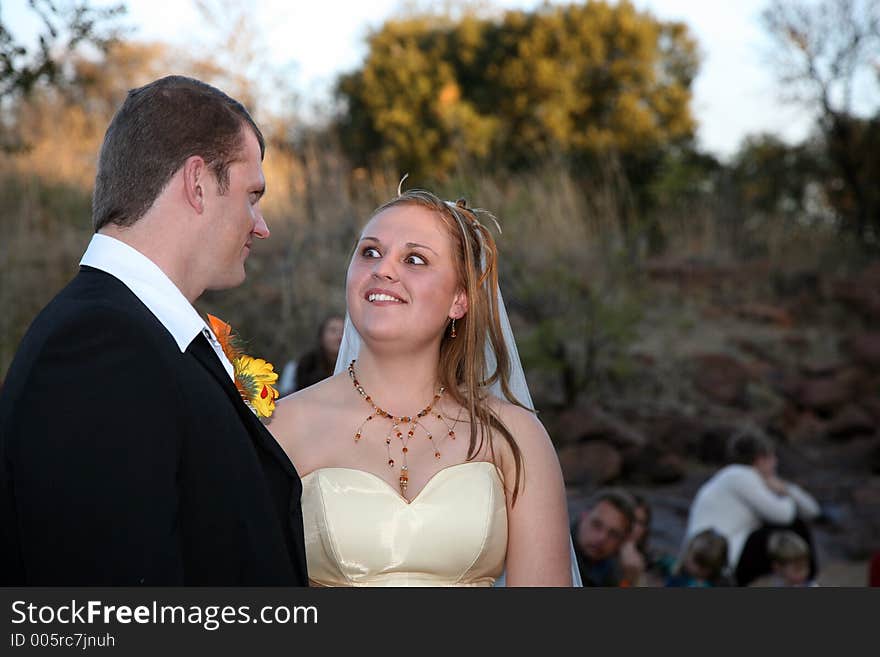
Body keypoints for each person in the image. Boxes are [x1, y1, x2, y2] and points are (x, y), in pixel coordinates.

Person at [0, 76, 308, 585]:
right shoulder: (98, 348)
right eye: (253, 195)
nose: (261, 225)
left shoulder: (138, 336)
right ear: (197, 183)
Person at [271, 187, 576, 586]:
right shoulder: (281, 426)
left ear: (459, 300)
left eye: (414, 259)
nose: (383, 269)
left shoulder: (514, 437)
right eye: (370, 252)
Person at [682, 426, 821, 587]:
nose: (775, 462)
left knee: (789, 528)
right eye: (772, 457)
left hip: (724, 552)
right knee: (792, 527)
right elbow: (785, 516)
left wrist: (786, 488)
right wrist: (784, 492)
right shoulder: (739, 476)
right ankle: (807, 580)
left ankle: (799, 578)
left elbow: (812, 510)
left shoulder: (737, 477)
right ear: (760, 459)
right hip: (717, 555)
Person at [572, 488, 635, 586]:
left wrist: (629, 579)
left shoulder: (613, 569)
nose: (602, 538)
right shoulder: (557, 550)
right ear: (584, 516)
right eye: (596, 525)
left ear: (622, 541)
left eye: (613, 534)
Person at [290, 315, 345, 393]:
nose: (339, 336)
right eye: (333, 331)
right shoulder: (306, 364)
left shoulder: (354, 364)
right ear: (321, 336)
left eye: (343, 331)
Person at [665, 529, 732, 587]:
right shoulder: (678, 575)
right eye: (696, 562)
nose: (697, 569)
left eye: (704, 566)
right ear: (688, 553)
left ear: (717, 567)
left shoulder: (721, 584)